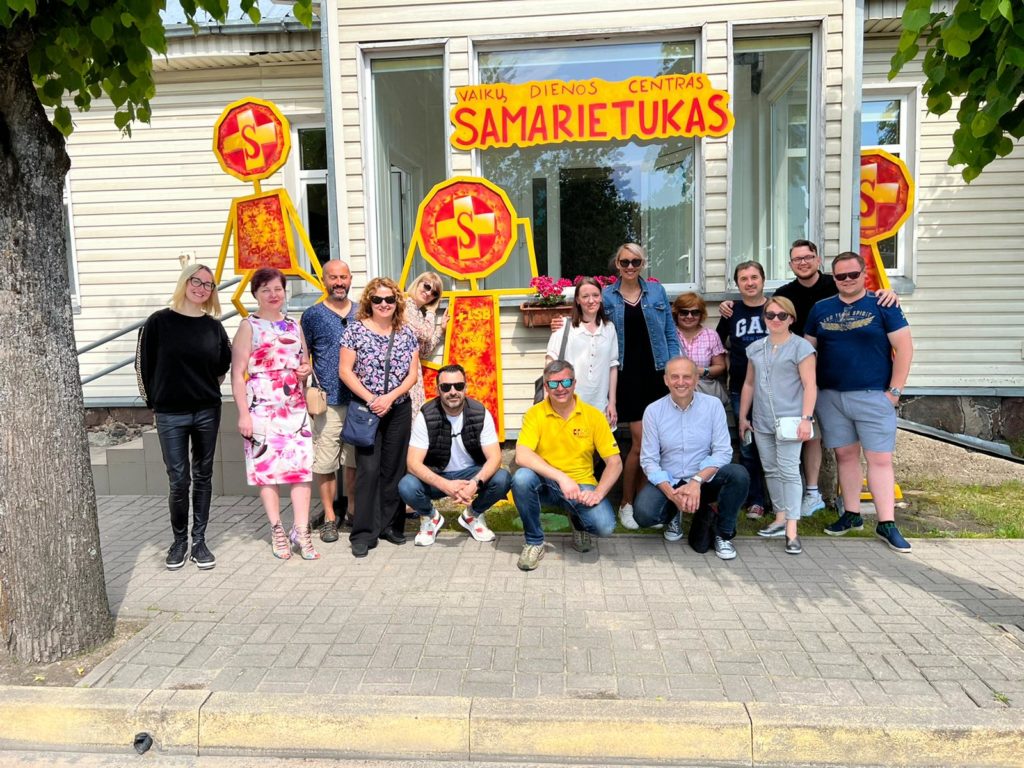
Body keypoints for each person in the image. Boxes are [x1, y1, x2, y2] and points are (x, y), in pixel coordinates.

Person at [719, 239, 899, 516]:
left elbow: (865, 299)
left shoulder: (832, 287)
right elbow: (724, 347)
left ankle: (810, 495)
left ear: (817, 260)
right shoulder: (776, 296)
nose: (802, 262)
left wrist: (887, 293)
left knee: (810, 439)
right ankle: (769, 503)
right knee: (758, 448)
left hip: (814, 382)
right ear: (790, 265)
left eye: (807, 257)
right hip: (769, 382)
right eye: (797, 259)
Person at [805, 252, 914, 552]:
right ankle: (851, 514)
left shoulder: (883, 304)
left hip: (873, 394)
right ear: (834, 278)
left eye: (853, 274)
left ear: (864, 273)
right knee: (845, 456)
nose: (848, 280)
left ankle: (887, 522)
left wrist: (895, 391)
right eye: (841, 276)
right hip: (831, 395)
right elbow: (807, 352)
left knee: (879, 459)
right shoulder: (820, 309)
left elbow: (904, 348)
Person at [136, 263, 231, 570]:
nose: (202, 288)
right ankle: (179, 542)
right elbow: (143, 366)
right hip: (170, 414)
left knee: (203, 476)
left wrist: (201, 388)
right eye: (197, 281)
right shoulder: (158, 322)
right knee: (179, 480)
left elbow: (222, 366)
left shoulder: (214, 327)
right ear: (184, 282)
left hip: (206, 411)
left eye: (209, 285)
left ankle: (199, 542)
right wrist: (155, 402)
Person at [230, 267, 318, 560]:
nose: (273, 295)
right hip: (262, 406)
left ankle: (302, 530)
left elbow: (303, 363)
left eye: (277, 289)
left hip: (294, 406)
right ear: (255, 294)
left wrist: (305, 370)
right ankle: (277, 528)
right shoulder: (248, 326)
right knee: (267, 472)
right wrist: (244, 414)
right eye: (265, 289)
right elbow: (237, 374)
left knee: (300, 472)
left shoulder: (294, 325)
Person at [633, 357, 750, 561]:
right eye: (675, 377)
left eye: (687, 377)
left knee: (739, 475)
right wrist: (672, 494)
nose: (681, 382)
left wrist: (696, 481)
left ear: (696, 380)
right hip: (671, 479)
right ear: (666, 380)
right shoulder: (653, 411)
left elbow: (723, 451)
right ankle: (674, 513)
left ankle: (723, 534)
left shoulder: (713, 406)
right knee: (643, 514)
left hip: (704, 479)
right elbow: (649, 461)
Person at [512, 360, 623, 571]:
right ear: (546, 387)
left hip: (582, 487)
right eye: (553, 384)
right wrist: (562, 478)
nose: (560, 388)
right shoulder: (535, 414)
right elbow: (522, 455)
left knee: (605, 527)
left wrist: (598, 493)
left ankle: (578, 521)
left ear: (574, 383)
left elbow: (615, 462)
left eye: (565, 382)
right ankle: (534, 541)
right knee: (521, 478)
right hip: (547, 483)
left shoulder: (593, 416)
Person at [600, 244, 679, 530]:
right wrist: (560, 325)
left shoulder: (656, 292)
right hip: (626, 376)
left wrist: (673, 370)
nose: (630, 267)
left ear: (643, 263)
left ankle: (647, 504)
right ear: (617, 265)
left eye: (635, 261)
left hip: (656, 374)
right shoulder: (607, 295)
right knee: (641, 443)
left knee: (655, 445)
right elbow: (589, 321)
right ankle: (626, 503)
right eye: (624, 262)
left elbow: (670, 331)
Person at [339, 277, 420, 558]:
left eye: (389, 299)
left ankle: (390, 526)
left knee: (394, 469)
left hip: (397, 407)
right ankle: (363, 532)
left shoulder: (406, 333)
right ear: (369, 302)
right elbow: (345, 371)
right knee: (368, 470)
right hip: (366, 410)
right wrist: (373, 399)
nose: (384, 304)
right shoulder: (355, 331)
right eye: (378, 299)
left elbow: (412, 374)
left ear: (396, 302)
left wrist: (390, 397)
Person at [398, 364, 512, 546]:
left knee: (502, 478)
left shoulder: (480, 412)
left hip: (470, 474)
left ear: (466, 387)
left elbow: (495, 458)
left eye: (458, 386)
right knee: (407, 485)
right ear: (438, 389)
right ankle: (430, 517)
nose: (453, 391)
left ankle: (472, 515)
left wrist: (475, 483)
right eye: (446, 387)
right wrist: (445, 484)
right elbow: (412, 463)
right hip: (438, 475)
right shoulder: (426, 415)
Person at [738, 297, 817, 555]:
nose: (775, 320)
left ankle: (792, 528)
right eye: (770, 315)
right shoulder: (756, 348)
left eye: (781, 316)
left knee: (789, 471)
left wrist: (806, 418)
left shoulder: (801, 348)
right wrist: (743, 416)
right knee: (770, 469)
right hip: (762, 420)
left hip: (791, 420)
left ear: (791, 319)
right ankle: (780, 517)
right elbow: (749, 384)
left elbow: (809, 385)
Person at [300, 259, 358, 543]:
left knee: (354, 462)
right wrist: (302, 398)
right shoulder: (312, 315)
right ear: (323, 280)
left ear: (350, 279)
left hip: (360, 401)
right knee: (325, 463)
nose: (339, 282)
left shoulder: (364, 311)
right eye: (333, 277)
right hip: (327, 402)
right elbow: (302, 357)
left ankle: (353, 514)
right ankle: (329, 517)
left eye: (343, 277)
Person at [716, 260, 770, 519]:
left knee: (774, 446)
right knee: (748, 447)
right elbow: (719, 345)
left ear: (763, 279)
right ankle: (755, 500)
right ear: (737, 284)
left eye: (754, 277)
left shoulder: (775, 309)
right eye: (744, 279)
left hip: (773, 391)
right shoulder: (731, 312)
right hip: (740, 389)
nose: (749, 283)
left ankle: (782, 502)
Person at [545, 276, 618, 422]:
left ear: (601, 298)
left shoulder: (609, 328)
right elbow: (549, 366)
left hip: (599, 406)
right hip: (567, 406)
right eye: (585, 296)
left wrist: (612, 403)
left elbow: (612, 367)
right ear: (577, 300)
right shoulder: (564, 326)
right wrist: (546, 405)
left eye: (595, 295)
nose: (591, 301)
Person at [403, 272, 449, 417]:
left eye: (434, 293)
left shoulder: (417, 313)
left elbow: (424, 352)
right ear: (418, 282)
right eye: (427, 286)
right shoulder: (404, 306)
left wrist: (440, 330)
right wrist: (431, 313)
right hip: (402, 374)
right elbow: (425, 334)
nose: (428, 293)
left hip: (413, 375)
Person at [671, 292, 727, 406]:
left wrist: (702, 371)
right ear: (676, 313)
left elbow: (720, 366)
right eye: (684, 312)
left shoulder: (711, 335)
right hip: (675, 394)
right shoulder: (669, 335)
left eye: (695, 312)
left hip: (704, 396)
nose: (689, 316)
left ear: (701, 315)